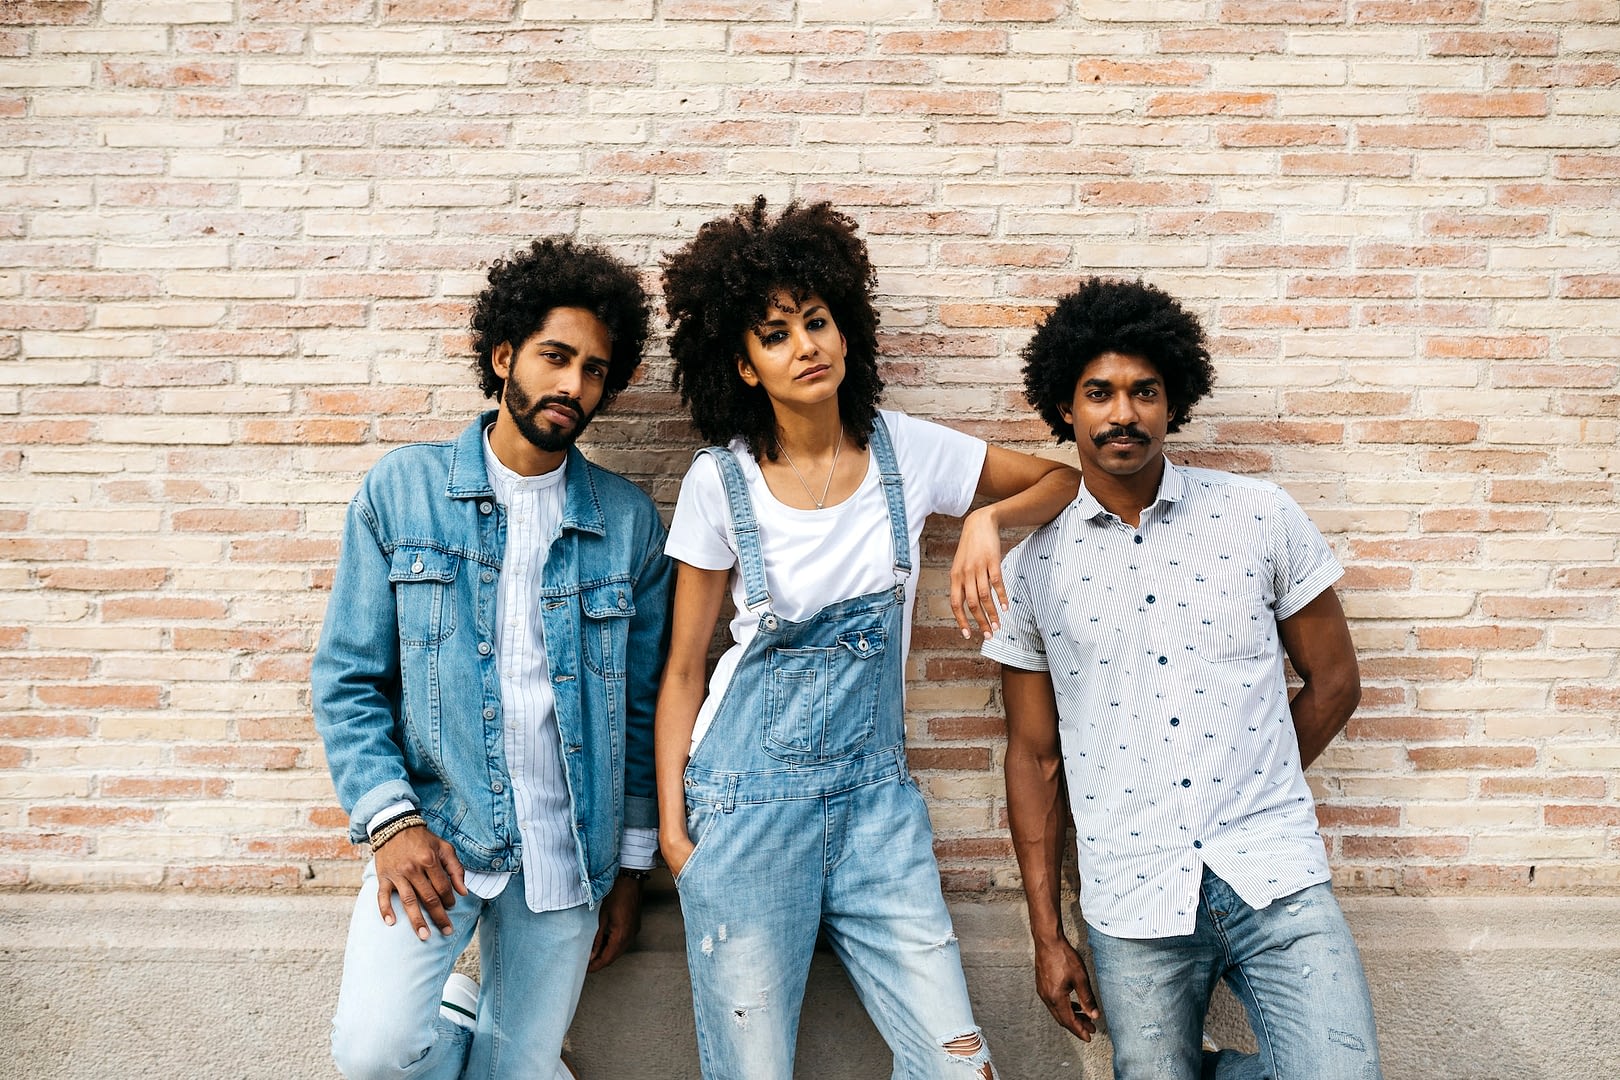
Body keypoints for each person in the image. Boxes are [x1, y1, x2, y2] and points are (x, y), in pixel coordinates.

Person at [654, 197, 1081, 1080]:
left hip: (875, 809)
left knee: (960, 1067)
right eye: (776, 335)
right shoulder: (718, 484)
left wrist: (986, 520)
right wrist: (673, 831)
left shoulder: (909, 453)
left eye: (817, 322)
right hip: (743, 809)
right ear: (741, 365)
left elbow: (1062, 482)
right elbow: (686, 667)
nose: (806, 345)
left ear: (847, 332)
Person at [983, 278, 1382, 1079]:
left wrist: (1248, 780)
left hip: (1272, 872)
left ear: (1174, 401)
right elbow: (1032, 760)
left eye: (1144, 392)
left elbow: (1334, 682)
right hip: (1131, 898)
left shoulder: (1258, 516)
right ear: (1066, 407)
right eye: (1099, 393)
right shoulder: (1029, 575)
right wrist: (1046, 936)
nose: (1122, 413)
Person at [311, 238, 672, 1080]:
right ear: (504, 355)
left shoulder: (625, 524)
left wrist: (629, 870)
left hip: (568, 852)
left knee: (518, 1072)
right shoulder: (401, 492)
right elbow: (347, 679)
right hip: (436, 840)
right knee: (373, 1054)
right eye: (555, 358)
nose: (573, 386)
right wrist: (390, 823)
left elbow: (642, 711)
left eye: (593, 370)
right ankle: (459, 1021)